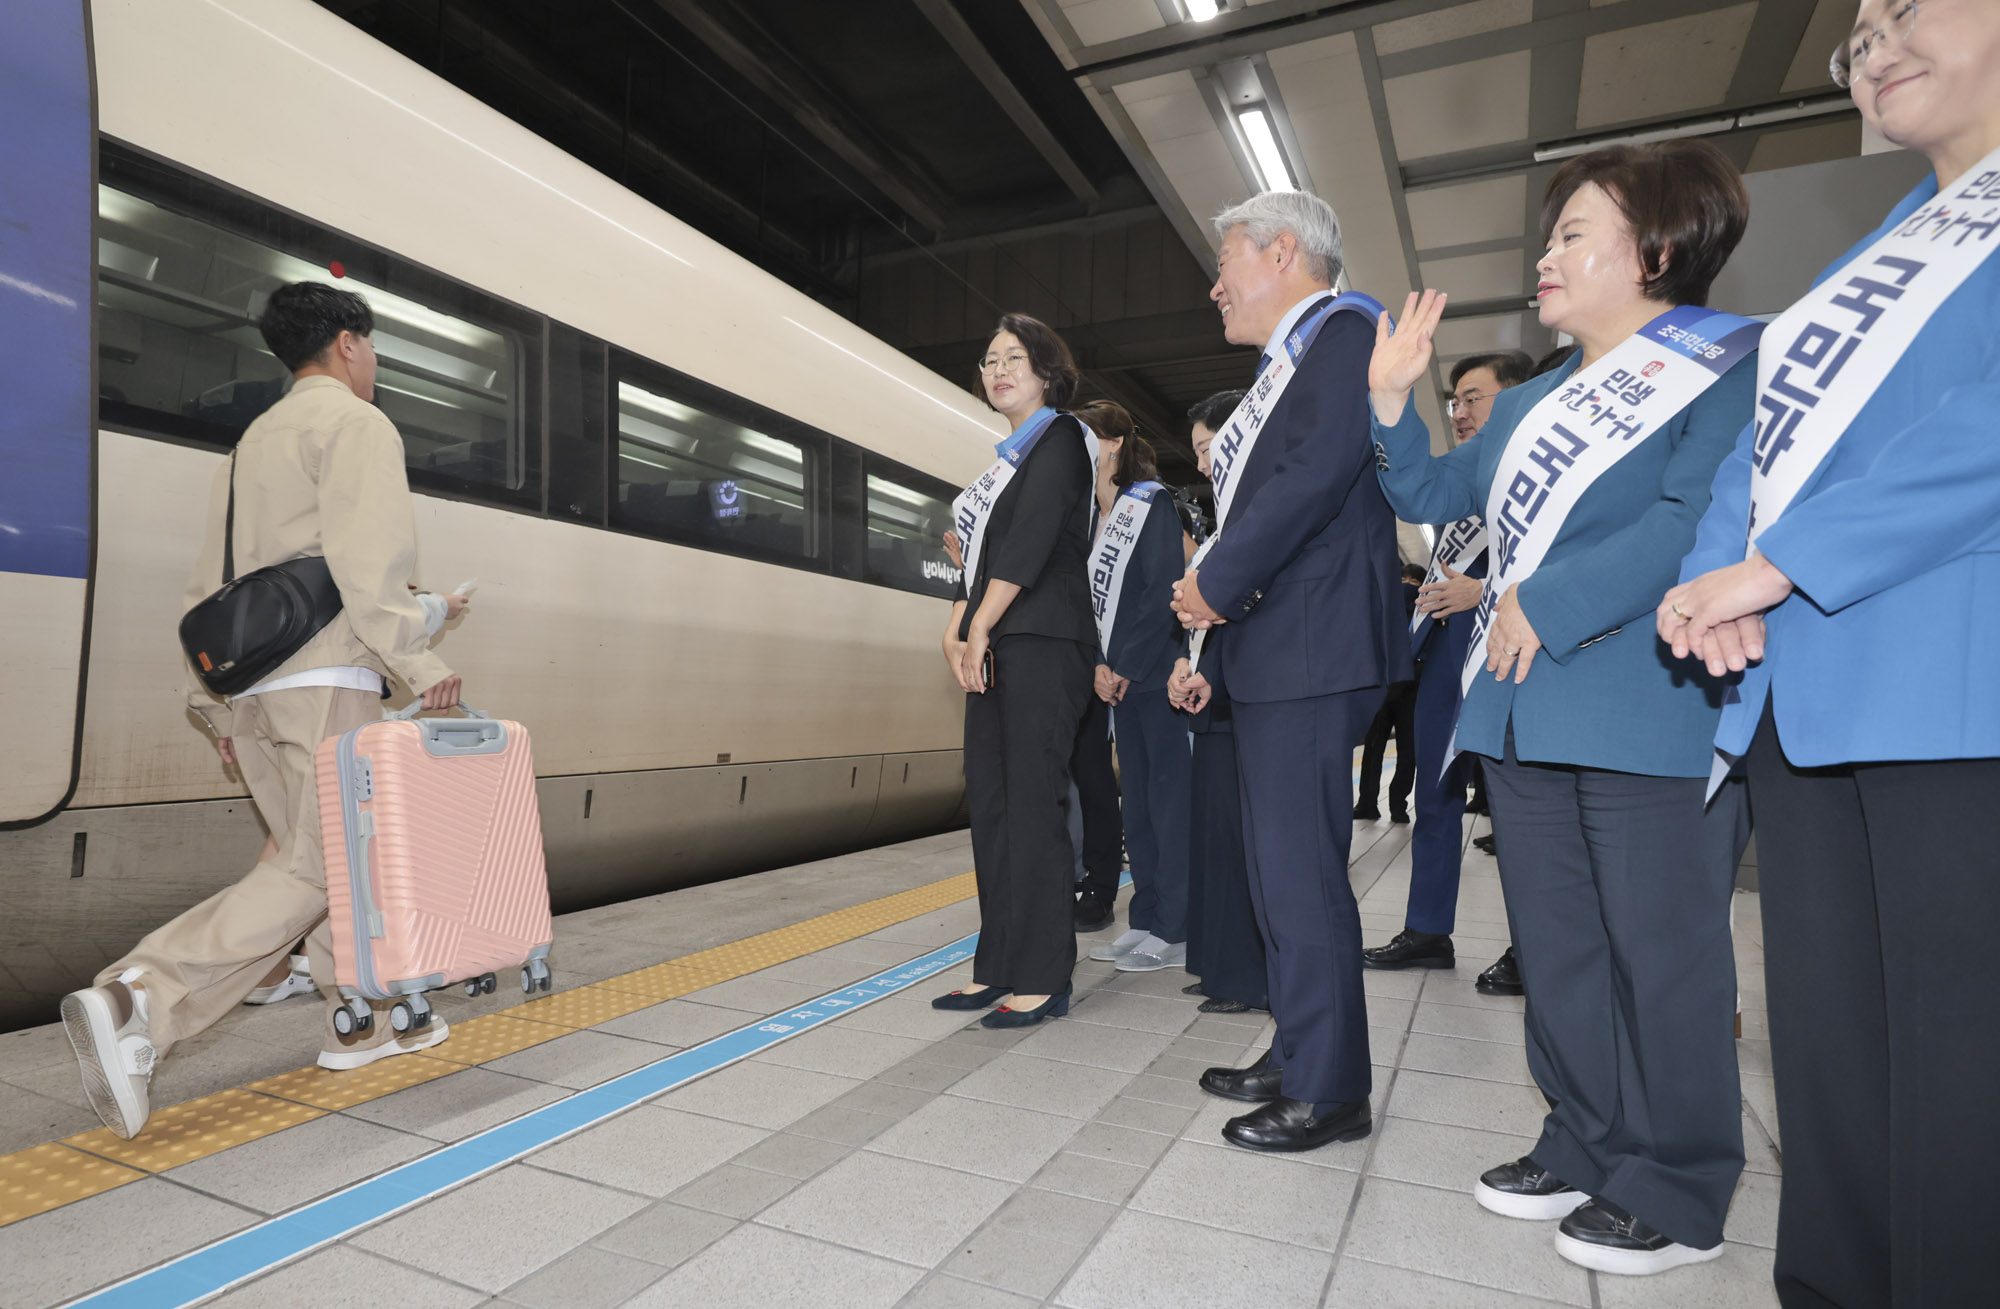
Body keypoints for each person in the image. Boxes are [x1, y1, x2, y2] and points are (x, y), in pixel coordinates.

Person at [1368, 139, 1759, 1276]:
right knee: (1557, 946)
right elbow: (1438, 495)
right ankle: (1581, 1137)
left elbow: (1691, 516)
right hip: (1522, 706)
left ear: (1656, 249)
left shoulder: (1720, 365)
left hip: (1648, 697)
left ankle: (1678, 1182)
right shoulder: (1534, 399)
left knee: (1662, 951)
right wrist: (1393, 405)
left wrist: (1545, 594)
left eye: (1569, 234)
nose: (1543, 256)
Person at [1659, 5, 2000, 1301]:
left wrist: (1792, 560)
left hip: (1960, 696)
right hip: (1804, 704)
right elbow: (1765, 444)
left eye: (1911, 4)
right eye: (1858, 26)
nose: (1876, 37)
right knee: (1834, 1078)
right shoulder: (1877, 251)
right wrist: (1713, 584)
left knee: (1963, 1094)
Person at [61, 282, 467, 1140]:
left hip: (251, 686)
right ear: (351, 345)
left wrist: (208, 705)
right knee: (325, 865)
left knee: (318, 857)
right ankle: (142, 997)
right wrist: (420, 655)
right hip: (326, 678)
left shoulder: (252, 441)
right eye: (375, 347)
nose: (375, 362)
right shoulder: (358, 425)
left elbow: (207, 586)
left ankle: (356, 1018)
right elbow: (366, 564)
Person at [1170, 190, 1409, 1153]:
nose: (1214, 284)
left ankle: (1330, 1089)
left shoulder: (1345, 331)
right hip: (1280, 645)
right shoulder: (1299, 353)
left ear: (1281, 253)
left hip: (1311, 643)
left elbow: (1312, 472)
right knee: (1278, 869)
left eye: (1226, 260)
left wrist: (1212, 584)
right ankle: (1299, 1043)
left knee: (1301, 870)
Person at [934, 313, 1096, 1029]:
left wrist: (980, 623)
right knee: (994, 805)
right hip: (999, 642)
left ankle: (1043, 974)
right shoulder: (1003, 462)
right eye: (989, 358)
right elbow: (980, 560)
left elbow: (1028, 547)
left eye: (1013, 358)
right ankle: (996, 963)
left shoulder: (1061, 439)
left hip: (1042, 641)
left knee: (1033, 805)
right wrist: (959, 625)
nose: (997, 369)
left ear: (1047, 371)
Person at [1363, 350, 1532, 984]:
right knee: (1434, 795)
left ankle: (1530, 945)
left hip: (1506, 658)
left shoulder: (1544, 471)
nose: (1459, 412)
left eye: (1473, 398)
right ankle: (1428, 929)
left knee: (1518, 811)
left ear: (1515, 400)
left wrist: (1481, 592)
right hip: (1442, 657)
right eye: (1455, 400)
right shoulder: (1461, 477)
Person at [1073, 402, 1191, 973]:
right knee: (1137, 806)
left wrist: (1120, 663)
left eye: (1086, 436)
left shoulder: (1150, 502)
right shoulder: (1092, 518)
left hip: (1154, 677)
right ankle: (1145, 918)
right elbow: (1087, 607)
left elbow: (1160, 590)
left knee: (1168, 804)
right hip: (1118, 682)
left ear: (1114, 443)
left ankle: (1176, 927)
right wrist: (1098, 663)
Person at [1169, 390, 1267, 1016]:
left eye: (1212, 449)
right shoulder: (1225, 523)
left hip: (1244, 702)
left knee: (1239, 847)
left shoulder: (1262, 515)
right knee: (1211, 840)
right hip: (1213, 701)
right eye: (1200, 452)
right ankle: (1214, 964)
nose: (1204, 465)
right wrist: (1185, 662)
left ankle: (1245, 977)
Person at [1353, 564, 1423, 822]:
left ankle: (1367, 804)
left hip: (1382, 684)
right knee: (1408, 750)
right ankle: (1398, 806)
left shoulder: (1384, 599)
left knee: (1373, 746)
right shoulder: (1425, 601)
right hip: (1413, 686)